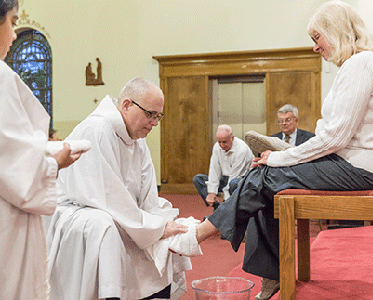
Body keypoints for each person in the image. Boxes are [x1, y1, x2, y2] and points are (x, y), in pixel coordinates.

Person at [194, 1, 373, 299]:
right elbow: (335, 134)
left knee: (265, 176)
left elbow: (335, 137)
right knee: (263, 177)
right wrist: (280, 158)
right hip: (354, 162)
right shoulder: (358, 64)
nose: (315, 47)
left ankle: (202, 234)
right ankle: (266, 270)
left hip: (362, 168)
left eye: (317, 38)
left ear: (336, 32)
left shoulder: (361, 63)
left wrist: (282, 156)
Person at [46, 78, 197, 300]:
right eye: (150, 114)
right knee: (106, 225)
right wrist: (153, 227)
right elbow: (104, 195)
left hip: (113, 208)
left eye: (158, 116)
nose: (155, 122)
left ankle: (158, 293)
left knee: (162, 215)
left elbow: (147, 195)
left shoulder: (137, 138)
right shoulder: (96, 129)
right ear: (126, 105)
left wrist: (157, 221)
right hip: (75, 211)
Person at [0, 1, 84, 299]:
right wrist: (54, 163)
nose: (13, 36)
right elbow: (10, 165)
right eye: (11, 22)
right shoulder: (1, 78)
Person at [193, 124, 253, 210]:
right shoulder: (217, 147)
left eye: (224, 142)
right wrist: (212, 192)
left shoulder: (241, 149)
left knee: (234, 183)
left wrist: (226, 202)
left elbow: (234, 176)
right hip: (225, 178)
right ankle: (217, 208)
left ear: (232, 138)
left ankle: (226, 210)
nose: (221, 145)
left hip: (241, 180)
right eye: (219, 142)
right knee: (198, 179)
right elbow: (214, 170)